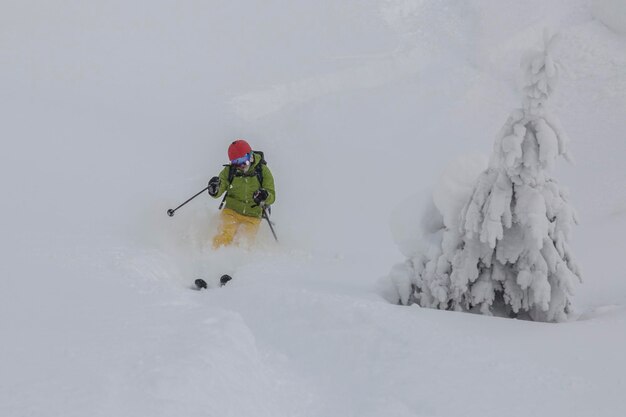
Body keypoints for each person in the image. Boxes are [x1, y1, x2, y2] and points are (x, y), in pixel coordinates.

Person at [208, 139, 276, 248]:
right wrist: (215, 189)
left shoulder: (262, 171)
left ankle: (239, 263)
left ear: (251, 155)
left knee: (244, 242)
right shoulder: (230, 171)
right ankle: (212, 256)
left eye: (243, 160)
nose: (241, 165)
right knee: (224, 235)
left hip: (252, 216)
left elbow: (272, 195)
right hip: (231, 211)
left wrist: (264, 195)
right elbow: (221, 187)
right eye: (236, 162)